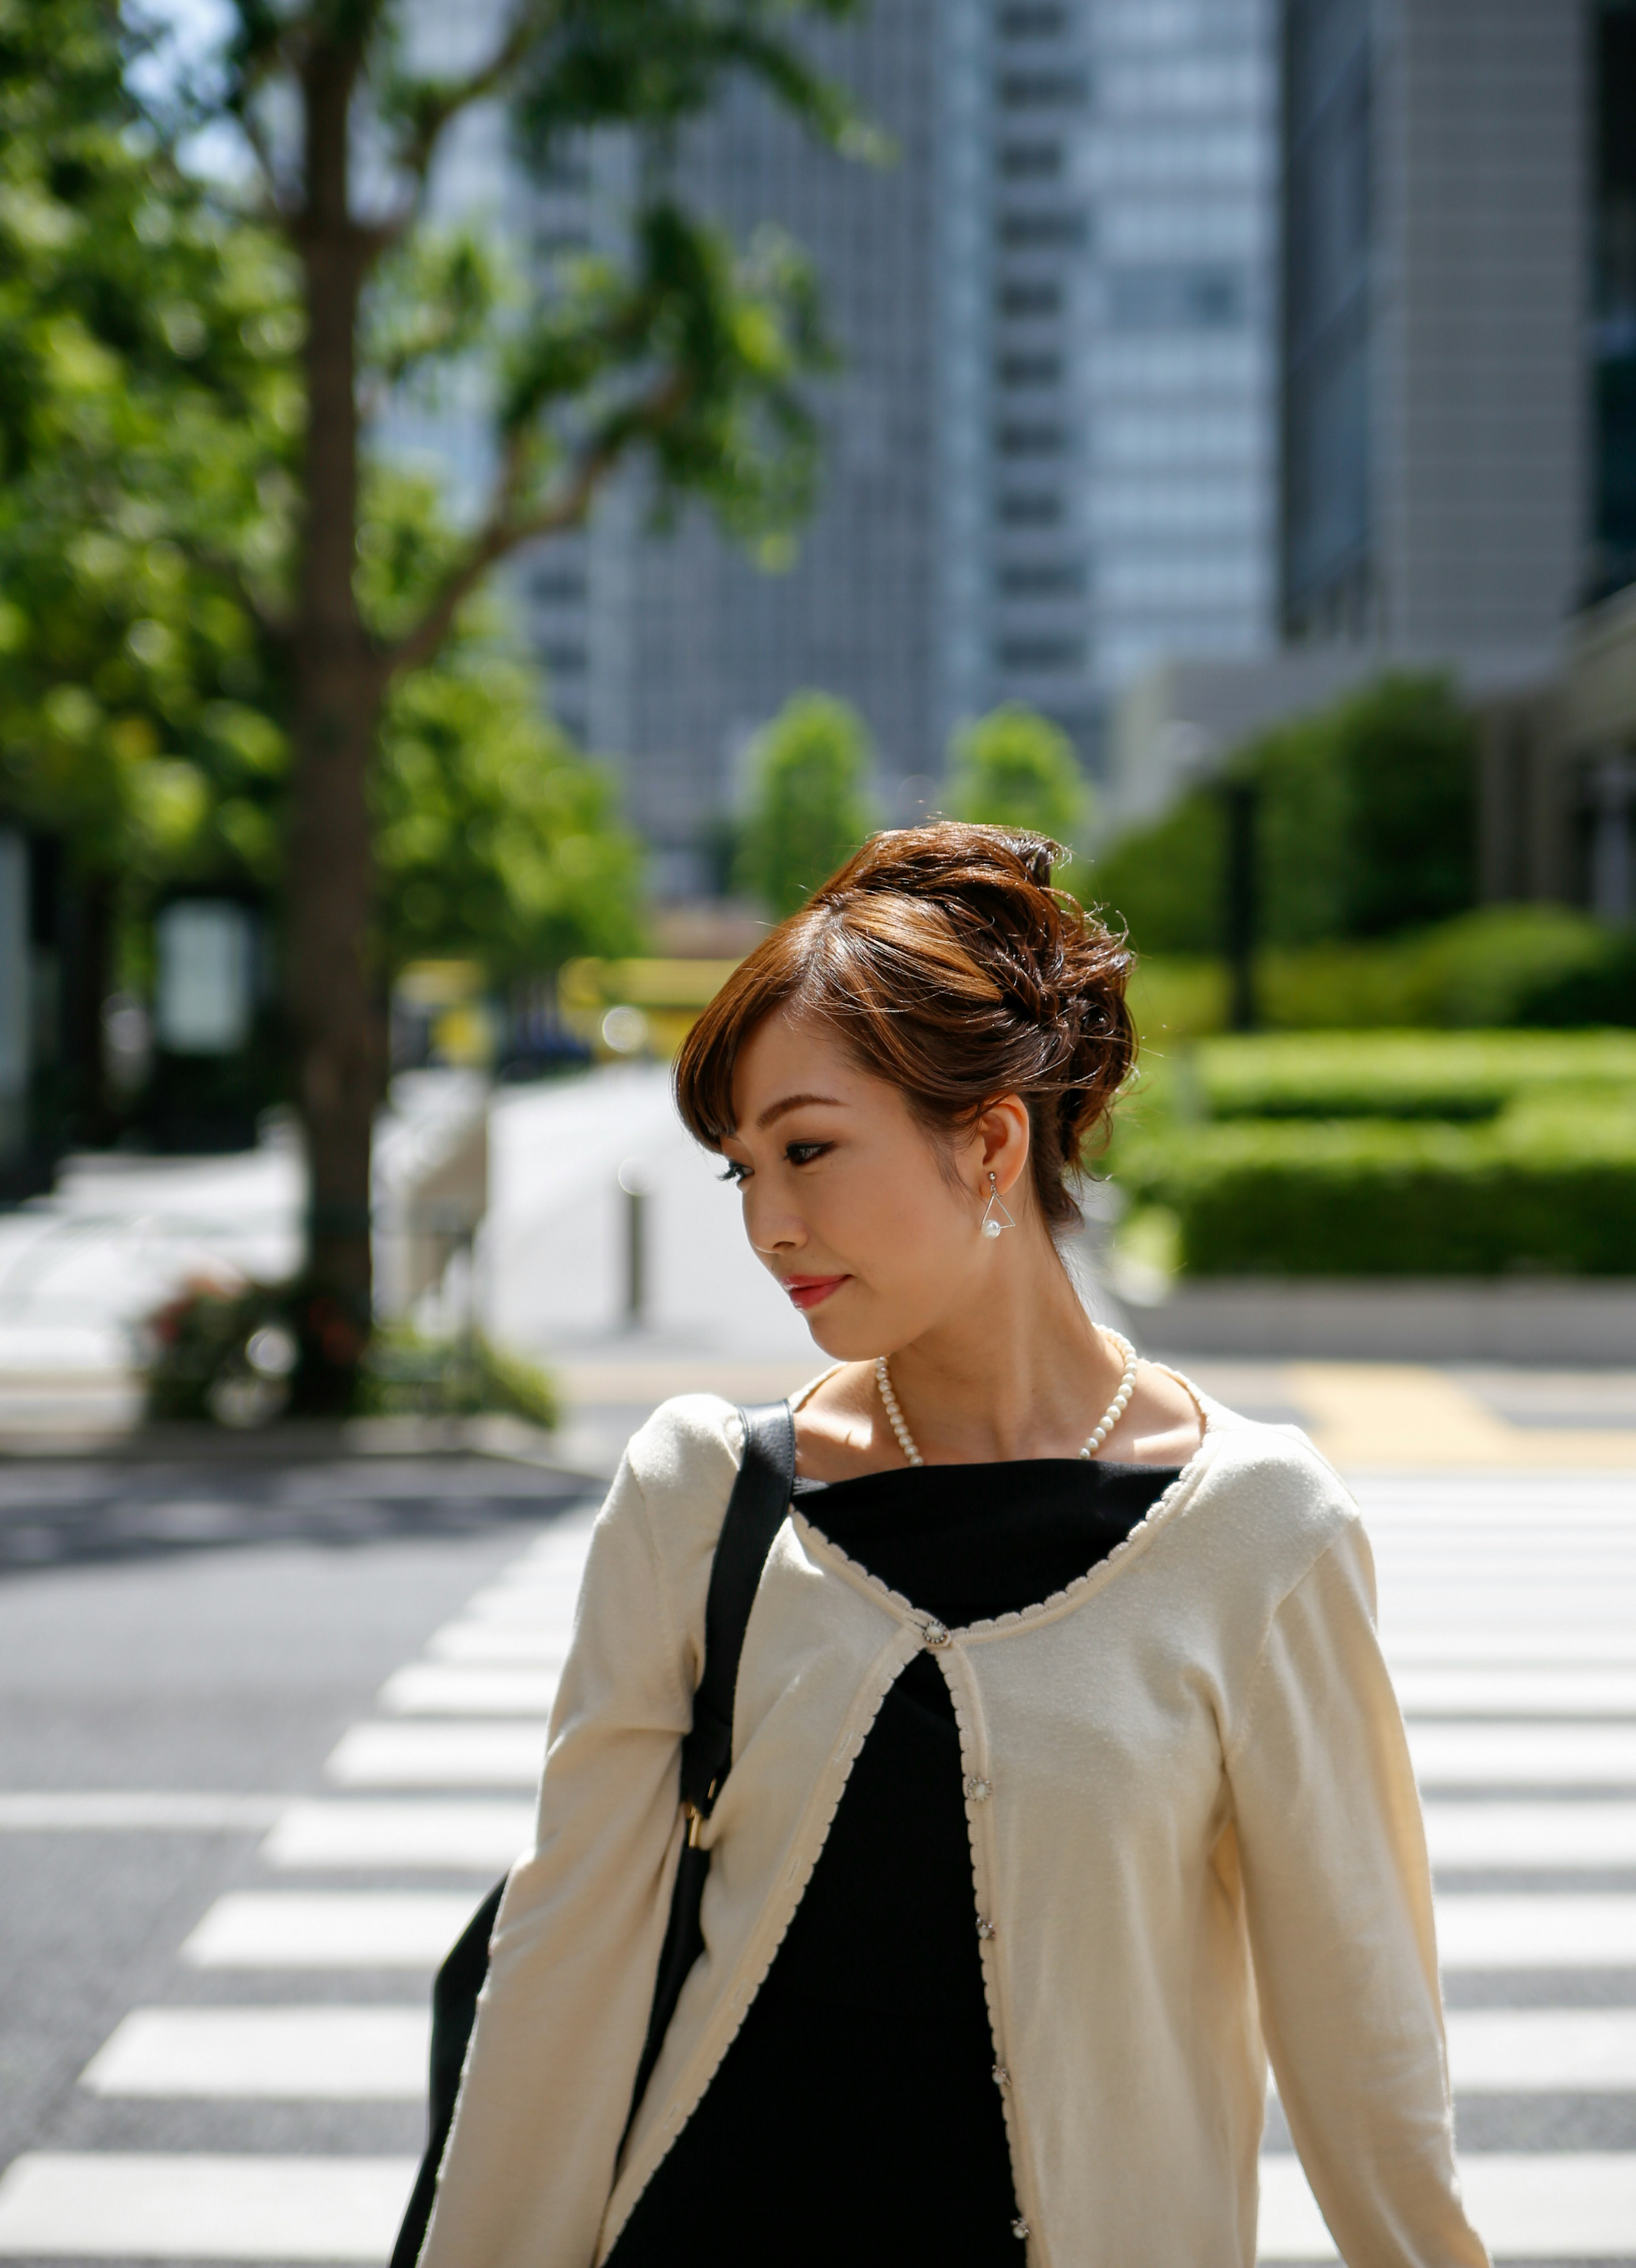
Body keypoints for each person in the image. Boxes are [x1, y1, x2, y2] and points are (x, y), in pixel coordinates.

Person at [417, 824, 1489, 2268]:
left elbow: (1364, 2033)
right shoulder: (702, 1494)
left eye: (808, 1149)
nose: (770, 1224)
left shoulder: (1255, 1529)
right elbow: (560, 1966)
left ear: (989, 1141)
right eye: (744, 1172)